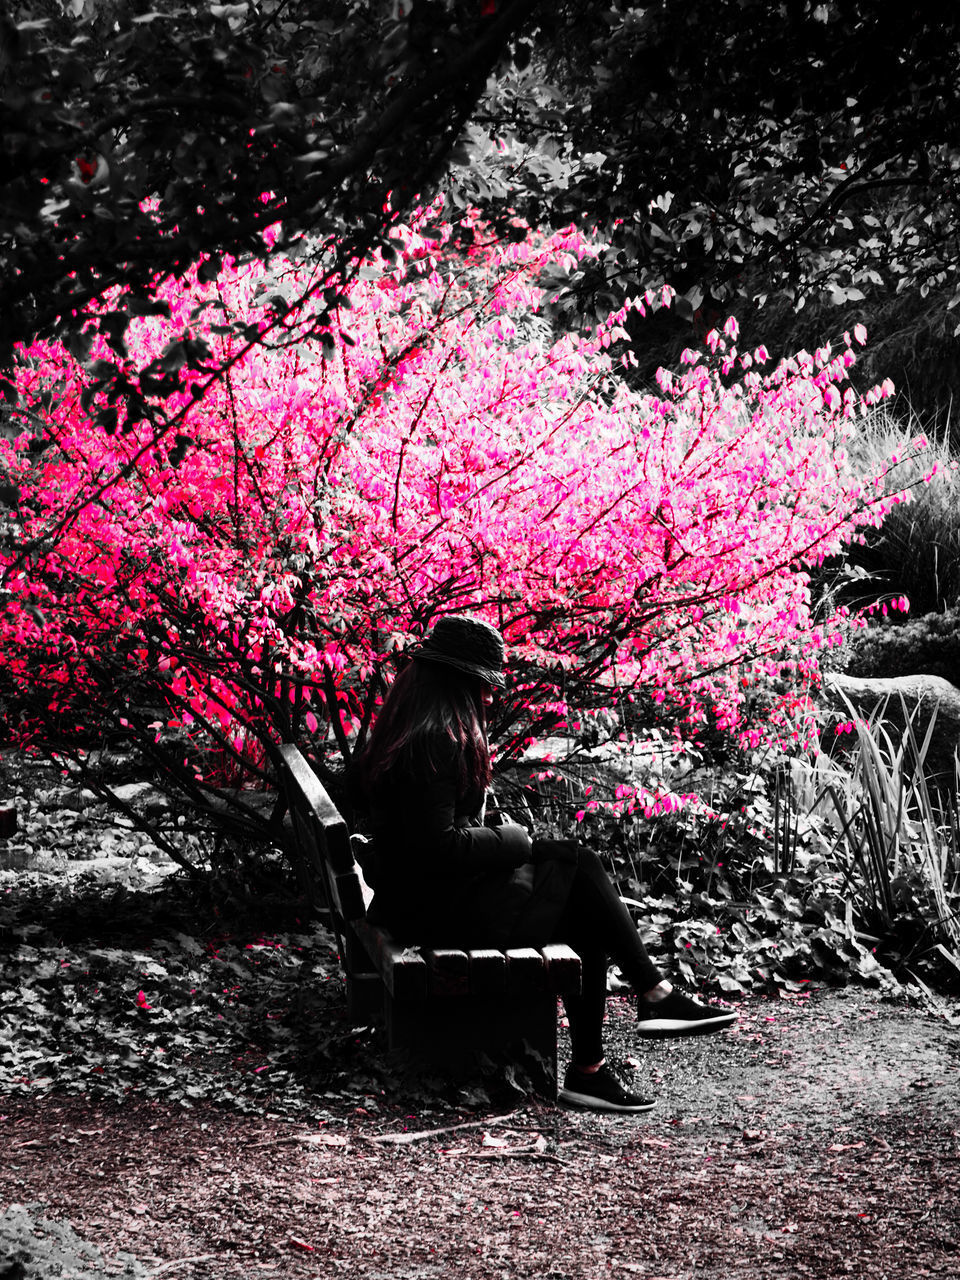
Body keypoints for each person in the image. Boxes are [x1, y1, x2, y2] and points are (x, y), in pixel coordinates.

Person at [354, 614, 737, 1113]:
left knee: (575, 875)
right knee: (577, 880)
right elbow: (438, 847)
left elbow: (426, 840)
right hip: (434, 912)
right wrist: (510, 839)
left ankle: (612, 1044)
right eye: (484, 687)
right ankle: (637, 1013)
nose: (491, 699)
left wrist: (502, 837)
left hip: (418, 899)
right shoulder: (435, 743)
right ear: (457, 685)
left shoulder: (409, 733)